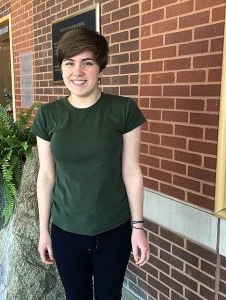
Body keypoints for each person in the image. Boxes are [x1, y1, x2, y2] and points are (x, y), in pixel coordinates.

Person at [31, 27, 150, 300]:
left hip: (114, 231)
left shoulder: (123, 110)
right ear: (61, 68)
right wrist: (43, 231)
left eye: (87, 62)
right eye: (69, 63)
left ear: (100, 67)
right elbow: (47, 176)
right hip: (65, 232)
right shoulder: (49, 115)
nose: (78, 72)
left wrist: (138, 228)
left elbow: (131, 172)